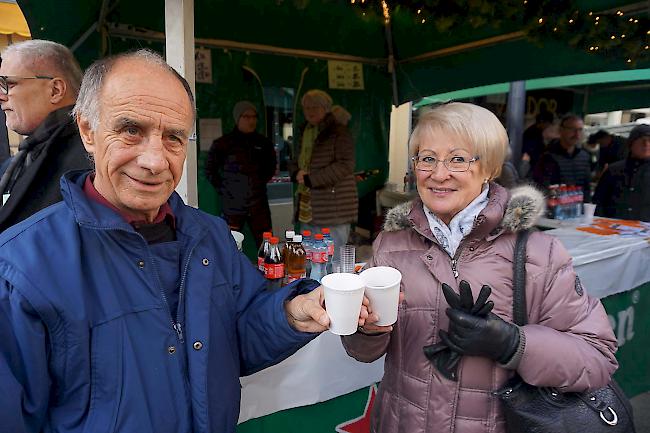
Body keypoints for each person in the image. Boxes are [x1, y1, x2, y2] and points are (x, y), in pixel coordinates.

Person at [0, 49, 372, 433]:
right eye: (131, 130)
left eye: (174, 137)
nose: (155, 160)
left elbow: (236, 335)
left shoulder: (209, 235)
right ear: (87, 131)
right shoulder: (21, 267)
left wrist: (290, 312)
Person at [342, 102, 617, 433]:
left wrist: (513, 344)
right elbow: (364, 351)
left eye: (458, 159)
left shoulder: (536, 253)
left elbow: (597, 357)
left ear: (488, 167)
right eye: (427, 158)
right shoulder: (391, 244)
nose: (439, 174)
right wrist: (367, 328)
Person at [0, 39, 91, 232]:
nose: (1, 95)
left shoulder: (94, 156)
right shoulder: (22, 159)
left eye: (9, 84)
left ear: (56, 90)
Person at [289, 90, 357, 260]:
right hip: (308, 204)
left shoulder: (338, 131)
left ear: (326, 108)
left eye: (315, 107)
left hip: (333, 206)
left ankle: (333, 286)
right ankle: (312, 286)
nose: (310, 111)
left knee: (332, 257)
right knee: (309, 255)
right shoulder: (304, 131)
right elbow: (294, 159)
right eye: (306, 108)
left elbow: (345, 165)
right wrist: (296, 172)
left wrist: (310, 179)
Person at [205, 100, 276, 247]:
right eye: (246, 117)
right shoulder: (223, 143)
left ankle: (267, 270)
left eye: (254, 117)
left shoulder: (264, 143)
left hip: (258, 205)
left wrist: (257, 184)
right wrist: (226, 189)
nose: (251, 121)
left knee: (267, 245)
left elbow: (271, 168)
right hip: (232, 206)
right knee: (229, 244)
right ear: (238, 118)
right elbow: (210, 170)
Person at [593, 124, 650, 221]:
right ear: (631, 143)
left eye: (649, 140)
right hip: (611, 229)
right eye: (642, 140)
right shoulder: (614, 170)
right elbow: (599, 202)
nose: (646, 144)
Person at [532, 113, 592, 200]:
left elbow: (586, 188)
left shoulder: (584, 156)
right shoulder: (547, 156)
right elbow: (541, 187)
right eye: (572, 129)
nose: (577, 134)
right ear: (561, 130)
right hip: (556, 207)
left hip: (579, 208)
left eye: (580, 130)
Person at [520, 109, 553, 176]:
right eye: (548, 124)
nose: (548, 126)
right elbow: (530, 151)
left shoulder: (538, 131)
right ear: (542, 122)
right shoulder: (532, 133)